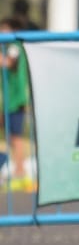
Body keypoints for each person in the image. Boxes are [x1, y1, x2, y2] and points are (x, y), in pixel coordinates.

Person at [0, 17, 33, 190]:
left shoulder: (14, 46)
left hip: (16, 100)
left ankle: (20, 173)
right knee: (11, 137)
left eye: (4, 29)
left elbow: (9, 63)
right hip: (7, 101)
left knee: (16, 137)